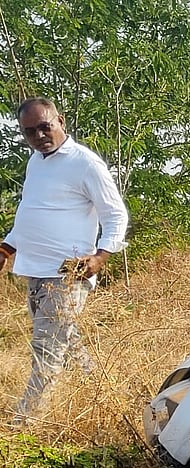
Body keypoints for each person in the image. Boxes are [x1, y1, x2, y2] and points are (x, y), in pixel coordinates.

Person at [0, 97, 128, 421]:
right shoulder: (35, 162)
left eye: (46, 126)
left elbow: (115, 215)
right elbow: (32, 215)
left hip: (67, 276)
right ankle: (108, 401)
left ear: (61, 122)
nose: (40, 136)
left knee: (46, 353)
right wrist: (6, 248)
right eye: (31, 132)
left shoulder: (84, 163)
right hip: (36, 273)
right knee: (68, 346)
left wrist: (100, 257)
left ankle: (24, 426)